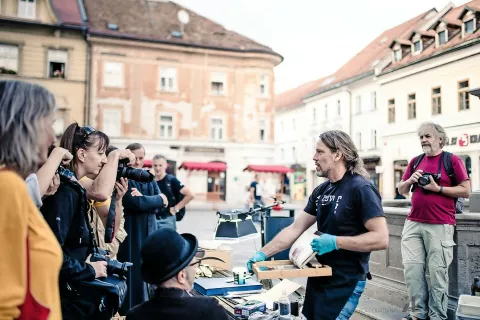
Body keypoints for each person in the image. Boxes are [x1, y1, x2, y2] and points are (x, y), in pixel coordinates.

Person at [246, 130, 389, 320]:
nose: (314, 157)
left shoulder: (361, 188)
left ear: (337, 154)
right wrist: (263, 253)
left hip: (347, 280)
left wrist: (336, 242)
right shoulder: (322, 189)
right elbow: (295, 229)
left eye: (320, 152)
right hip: (319, 274)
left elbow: (381, 238)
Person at [40, 123, 118, 318]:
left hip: (69, 296)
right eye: (100, 153)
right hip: (63, 301)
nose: (104, 160)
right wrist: (89, 270)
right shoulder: (65, 192)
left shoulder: (74, 189)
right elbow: (51, 254)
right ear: (82, 155)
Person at [0, 80, 63, 319]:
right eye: (49, 124)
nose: (52, 137)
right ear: (25, 127)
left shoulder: (12, 185)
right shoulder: (7, 187)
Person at [397, 122, 470, 320]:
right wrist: (410, 180)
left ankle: (437, 316)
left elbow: (466, 190)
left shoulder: (451, 160)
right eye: (421, 137)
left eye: (427, 136)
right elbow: (401, 190)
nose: (423, 140)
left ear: (440, 138)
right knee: (412, 271)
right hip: (413, 222)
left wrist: (438, 189)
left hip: (440, 224)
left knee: (437, 274)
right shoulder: (415, 161)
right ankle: (416, 314)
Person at [125, 228, 229, 320]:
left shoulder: (134, 316)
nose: (196, 269)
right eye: (194, 264)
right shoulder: (210, 310)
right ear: (181, 276)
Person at [118, 143, 168, 313]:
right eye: (135, 158)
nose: (138, 162)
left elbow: (160, 204)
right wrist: (156, 199)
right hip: (133, 232)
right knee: (135, 276)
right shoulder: (123, 176)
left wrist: (151, 200)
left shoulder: (148, 177)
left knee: (150, 273)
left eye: (141, 158)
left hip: (150, 232)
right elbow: (135, 203)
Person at [152, 154, 195, 230]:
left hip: (167, 220)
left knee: (168, 242)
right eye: (155, 165)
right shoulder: (150, 181)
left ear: (165, 166)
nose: (157, 168)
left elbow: (190, 195)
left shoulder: (171, 180)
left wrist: (176, 208)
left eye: (160, 165)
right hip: (152, 220)